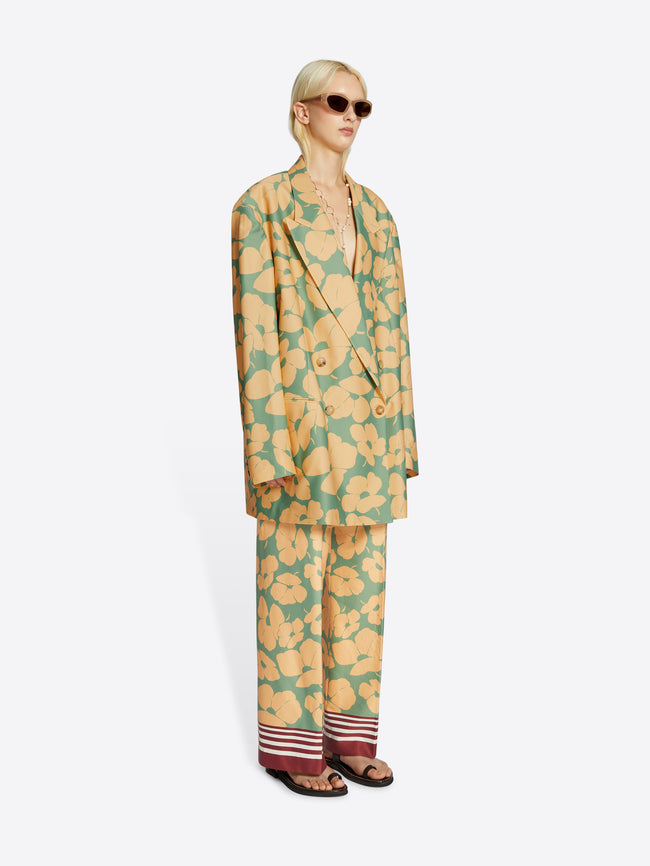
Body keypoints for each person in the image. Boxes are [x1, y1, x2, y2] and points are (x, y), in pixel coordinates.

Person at [231, 59, 418, 797]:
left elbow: (394, 332)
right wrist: (267, 448)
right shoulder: (263, 207)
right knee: (292, 591)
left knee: (360, 593)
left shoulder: (378, 213)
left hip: (368, 432)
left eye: (362, 107)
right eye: (338, 102)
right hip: (300, 428)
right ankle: (290, 747)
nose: (351, 116)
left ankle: (349, 737)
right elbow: (255, 336)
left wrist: (403, 440)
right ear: (302, 110)